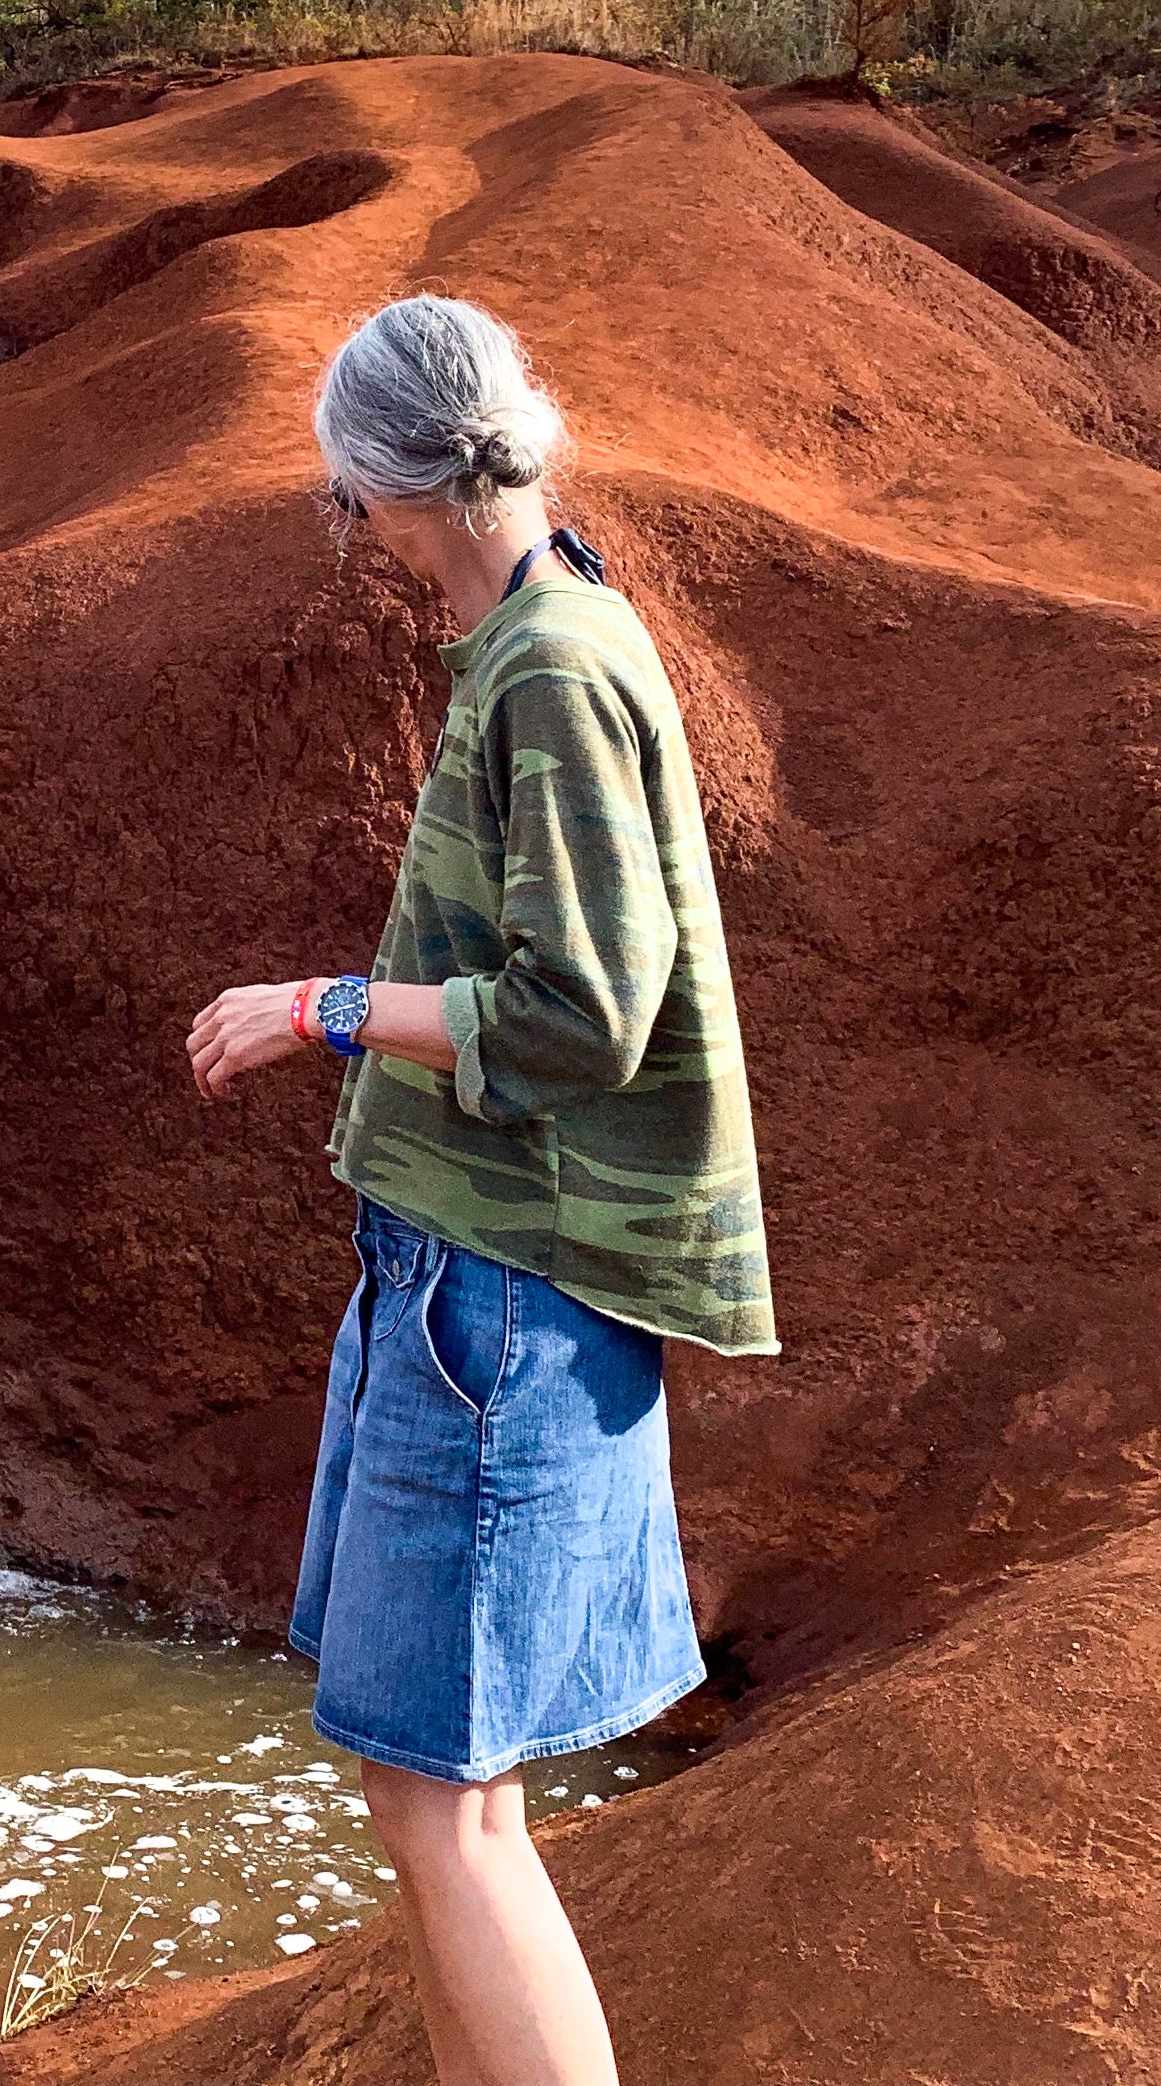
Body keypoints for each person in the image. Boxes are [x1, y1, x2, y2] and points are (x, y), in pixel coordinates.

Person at [188, 294, 777, 2086]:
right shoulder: (541, 625)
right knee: (424, 1781)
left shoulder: (552, 667)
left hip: (497, 1301)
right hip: (453, 1275)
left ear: (390, 488)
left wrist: (327, 1009)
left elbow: (591, 1009)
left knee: (451, 1803)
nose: (345, 533)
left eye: (340, 498)